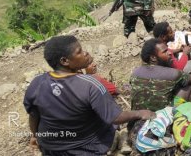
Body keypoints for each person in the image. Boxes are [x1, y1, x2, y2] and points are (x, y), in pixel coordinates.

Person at [24, 35, 154, 155]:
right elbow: (116, 117)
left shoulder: (37, 82)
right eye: (79, 52)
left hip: (50, 148)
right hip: (85, 148)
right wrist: (140, 113)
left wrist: (35, 136)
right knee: (115, 125)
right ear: (64, 61)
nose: (85, 53)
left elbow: (34, 115)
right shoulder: (90, 84)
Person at [130, 38, 191, 112]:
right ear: (153, 58)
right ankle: (177, 116)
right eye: (165, 51)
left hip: (137, 117)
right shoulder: (172, 73)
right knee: (187, 85)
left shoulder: (135, 73)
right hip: (159, 120)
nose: (170, 53)